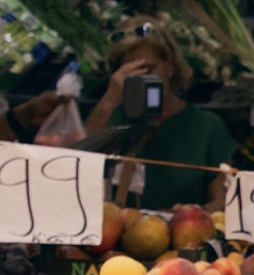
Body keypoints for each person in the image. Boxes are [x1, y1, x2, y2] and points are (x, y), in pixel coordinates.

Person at [74, 23, 237, 215]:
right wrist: (110, 99)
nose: (143, 78)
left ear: (169, 65)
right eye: (132, 73)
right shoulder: (110, 118)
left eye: (149, 68)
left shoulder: (205, 127)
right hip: (117, 235)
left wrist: (187, 215)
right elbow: (74, 167)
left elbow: (223, 202)